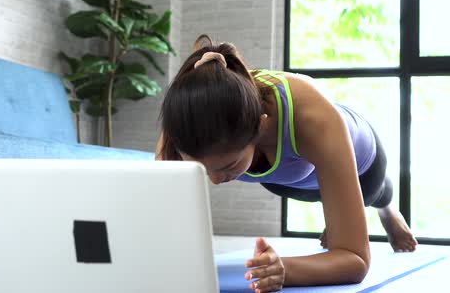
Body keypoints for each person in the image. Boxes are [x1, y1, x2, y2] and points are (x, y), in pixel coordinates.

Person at [155, 35, 417, 292]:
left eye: (226, 166)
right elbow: (159, 219)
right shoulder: (185, 122)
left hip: (364, 164)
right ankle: (340, 218)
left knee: (376, 194)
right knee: (326, 213)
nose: (213, 180)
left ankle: (387, 210)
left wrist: (285, 270)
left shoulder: (313, 120)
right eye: (200, 168)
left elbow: (355, 259)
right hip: (286, 179)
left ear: (260, 126)